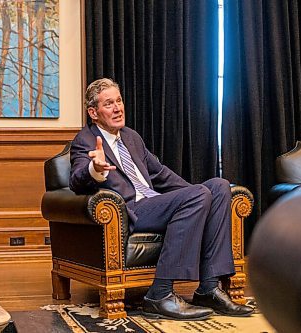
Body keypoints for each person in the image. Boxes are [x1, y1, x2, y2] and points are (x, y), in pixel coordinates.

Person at [69, 78, 253, 320]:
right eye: (108, 104)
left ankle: (209, 288)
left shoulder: (132, 137)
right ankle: (160, 294)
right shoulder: (85, 140)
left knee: (218, 187)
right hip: (132, 211)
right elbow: (76, 180)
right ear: (93, 112)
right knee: (200, 194)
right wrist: (96, 169)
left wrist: (201, 198)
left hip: (155, 203)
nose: (117, 108)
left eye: (119, 101)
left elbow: (161, 175)